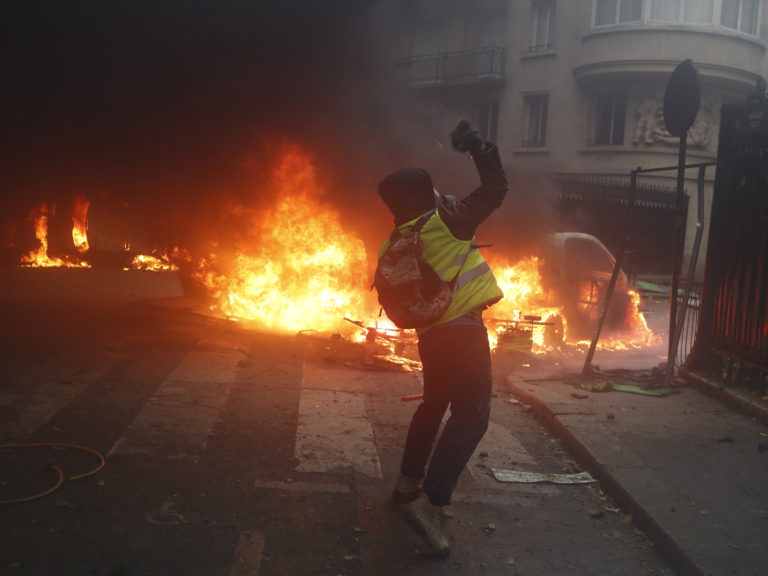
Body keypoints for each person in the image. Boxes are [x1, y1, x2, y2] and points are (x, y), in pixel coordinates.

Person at [376, 120, 508, 556]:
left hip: (432, 338)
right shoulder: (447, 221)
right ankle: (431, 499)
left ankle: (406, 483)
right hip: (466, 335)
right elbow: (495, 189)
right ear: (426, 194)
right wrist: (477, 148)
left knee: (434, 407)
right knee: (473, 415)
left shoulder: (394, 240)